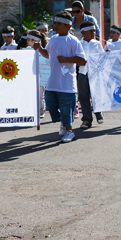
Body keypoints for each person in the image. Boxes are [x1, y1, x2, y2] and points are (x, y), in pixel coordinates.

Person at [35, 11, 85, 143]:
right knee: (50, 102)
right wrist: (40, 48)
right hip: (53, 81)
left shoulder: (73, 41)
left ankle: (69, 131)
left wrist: (66, 59)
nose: (55, 26)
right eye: (55, 23)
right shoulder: (53, 39)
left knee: (66, 107)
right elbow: (48, 54)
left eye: (59, 24)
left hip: (67, 83)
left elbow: (82, 59)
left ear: (68, 25)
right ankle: (63, 121)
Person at [77, 21, 103, 130]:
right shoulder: (78, 44)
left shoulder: (97, 44)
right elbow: (75, 58)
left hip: (95, 73)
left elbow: (102, 57)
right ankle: (87, 119)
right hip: (82, 73)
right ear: (83, 32)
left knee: (95, 95)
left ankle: (98, 112)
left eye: (94, 30)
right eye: (91, 31)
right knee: (83, 96)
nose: (94, 32)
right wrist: (79, 62)